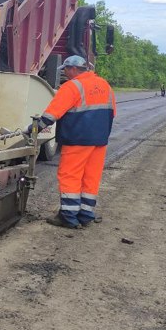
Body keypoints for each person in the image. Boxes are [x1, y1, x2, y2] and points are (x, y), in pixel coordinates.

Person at [28, 55, 116, 229]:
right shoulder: (104, 85)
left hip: (77, 139)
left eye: (66, 69)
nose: (65, 73)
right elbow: (112, 112)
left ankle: (68, 217)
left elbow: (52, 114)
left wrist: (33, 129)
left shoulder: (72, 86)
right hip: (99, 141)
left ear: (74, 69)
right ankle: (86, 214)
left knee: (70, 175)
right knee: (91, 177)